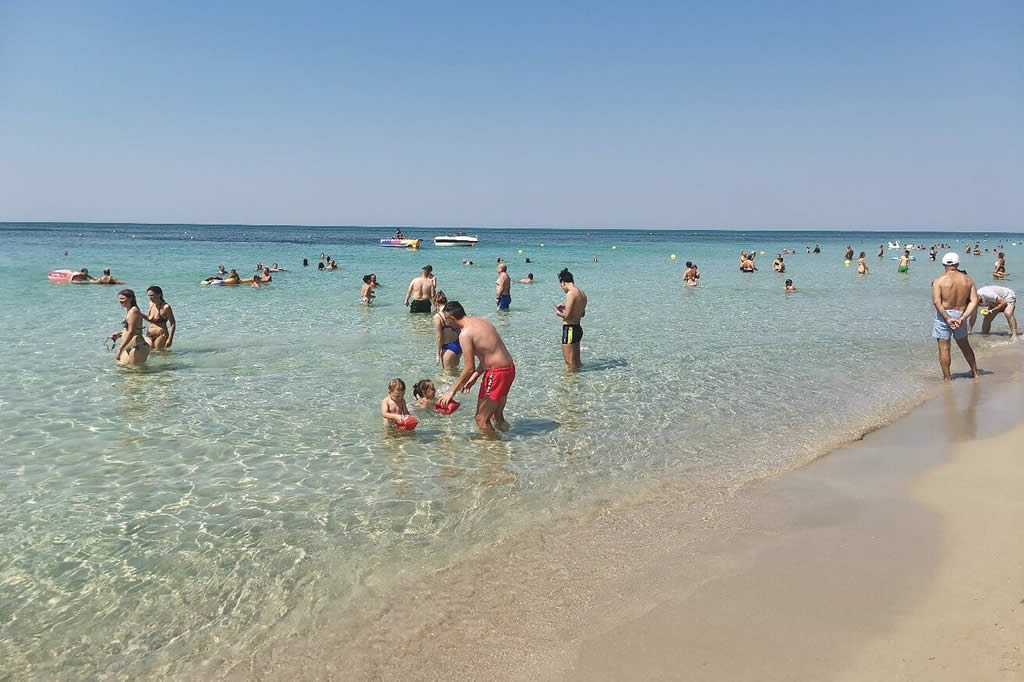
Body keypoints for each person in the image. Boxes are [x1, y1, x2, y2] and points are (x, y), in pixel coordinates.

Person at [436, 301, 515, 433]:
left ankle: (492, 451)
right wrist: (475, 377)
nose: (448, 325)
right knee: (497, 417)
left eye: (447, 322)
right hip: (509, 369)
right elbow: (489, 354)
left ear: (451, 318)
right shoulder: (482, 321)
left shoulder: (465, 334)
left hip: (497, 374)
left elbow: (468, 368)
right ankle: (507, 444)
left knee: (481, 419)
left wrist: (452, 392)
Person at [931, 252, 980, 381]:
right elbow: (974, 301)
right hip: (960, 314)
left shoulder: (939, 281)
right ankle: (975, 373)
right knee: (965, 345)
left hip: (944, 315)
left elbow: (936, 302)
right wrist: (963, 318)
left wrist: (947, 318)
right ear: (957, 264)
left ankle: (947, 378)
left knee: (944, 348)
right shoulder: (968, 279)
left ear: (943, 264)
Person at [555, 268, 587, 370]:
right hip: (577, 328)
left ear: (563, 282)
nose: (562, 288)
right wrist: (565, 307)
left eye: (561, 286)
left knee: (569, 363)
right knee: (577, 363)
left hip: (569, 330)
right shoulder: (582, 293)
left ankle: (570, 384)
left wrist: (559, 313)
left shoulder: (571, 293)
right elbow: (582, 313)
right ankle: (577, 383)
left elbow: (567, 316)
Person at [112, 289, 150, 366]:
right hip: (131, 346)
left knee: (135, 373)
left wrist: (120, 349)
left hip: (137, 347)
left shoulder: (134, 311)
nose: (120, 301)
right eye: (119, 299)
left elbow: (132, 332)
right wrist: (119, 334)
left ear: (130, 299)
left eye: (122, 299)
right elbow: (131, 329)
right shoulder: (129, 310)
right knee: (122, 368)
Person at [433, 291, 462, 370]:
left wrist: (438, 354)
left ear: (436, 303)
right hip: (459, 344)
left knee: (447, 375)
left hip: (448, 347)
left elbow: (439, 337)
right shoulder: (453, 311)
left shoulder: (438, 316)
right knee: (456, 371)